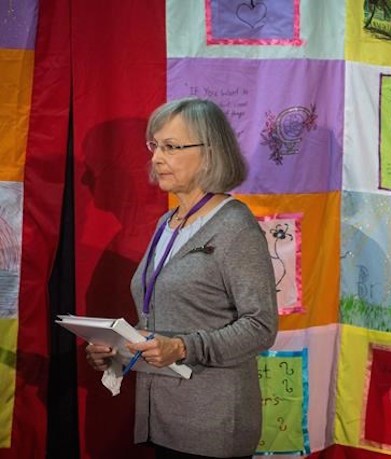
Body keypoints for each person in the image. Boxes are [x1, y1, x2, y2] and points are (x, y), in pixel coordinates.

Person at [85, 97, 278, 459]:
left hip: (212, 426)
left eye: (171, 147)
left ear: (210, 152)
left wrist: (185, 347)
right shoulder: (167, 223)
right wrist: (117, 349)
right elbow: (161, 321)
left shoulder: (235, 226)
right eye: (154, 146)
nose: (157, 158)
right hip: (163, 419)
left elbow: (261, 326)